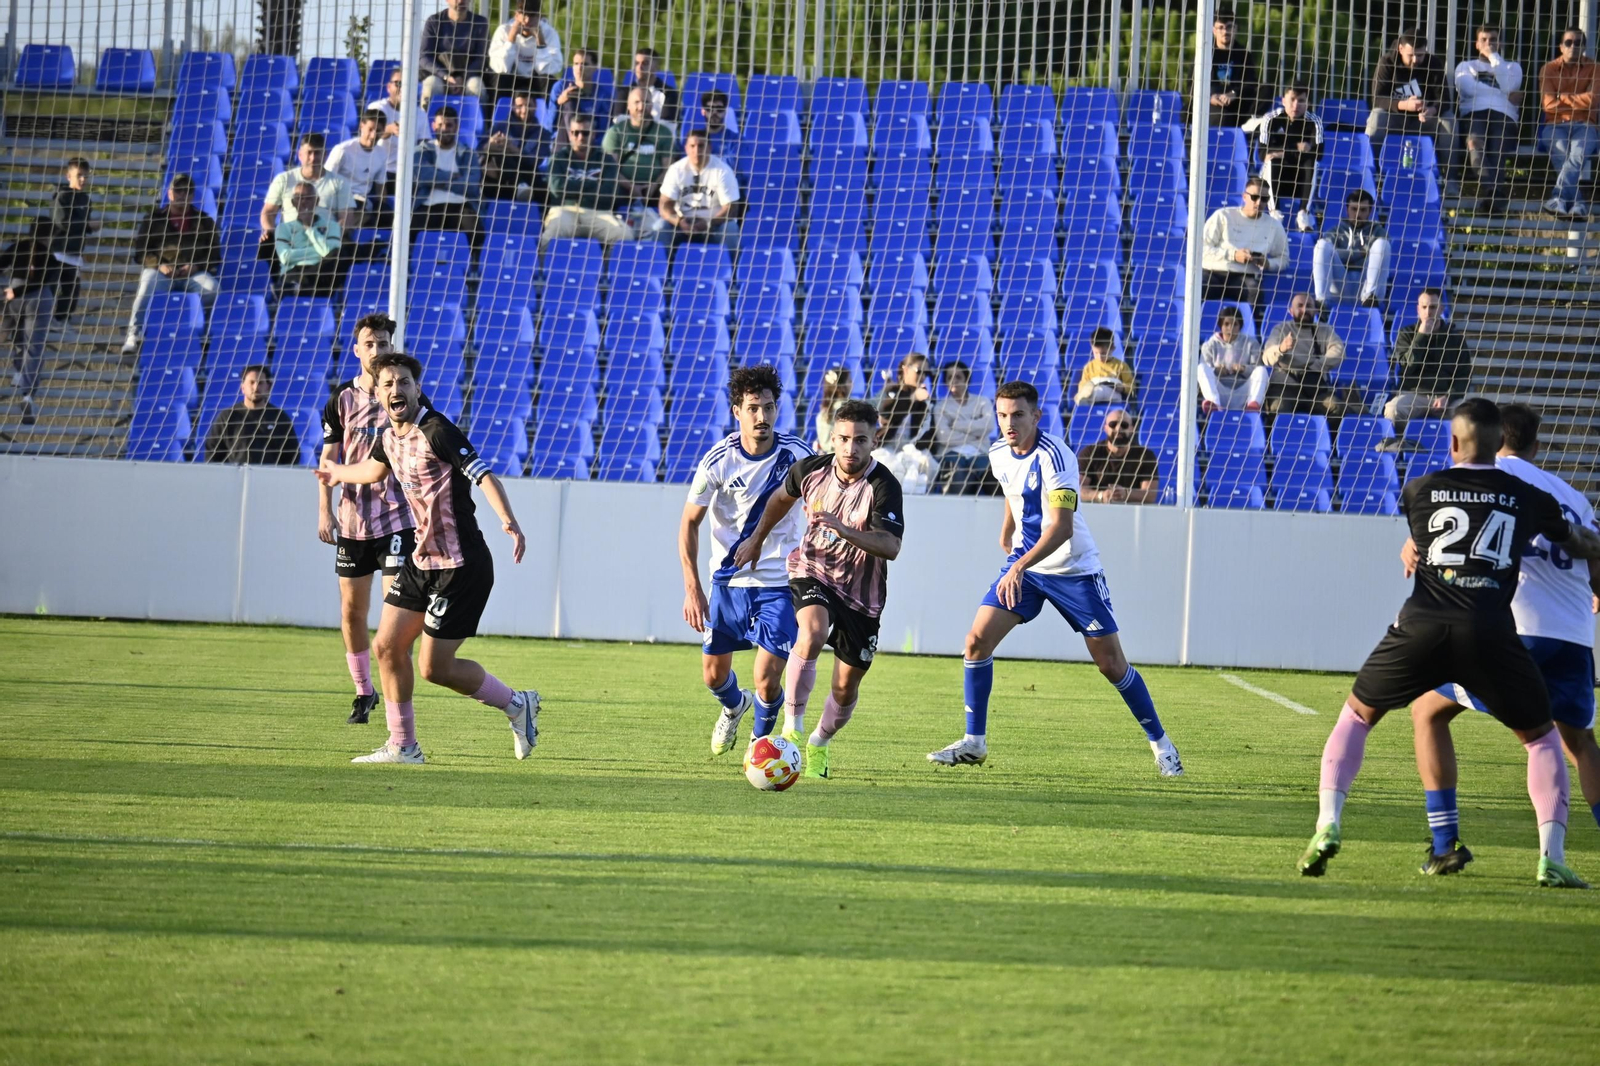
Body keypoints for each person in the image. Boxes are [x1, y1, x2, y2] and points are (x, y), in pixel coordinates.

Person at [1297, 398, 1600, 886]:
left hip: (1422, 625)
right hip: (1495, 630)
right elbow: (1575, 542)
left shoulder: (1419, 489)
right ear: (1502, 442)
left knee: (1357, 715)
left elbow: (1423, 542)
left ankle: (1329, 822)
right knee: (1545, 739)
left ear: (1454, 442)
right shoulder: (1529, 495)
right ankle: (1552, 857)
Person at [927, 381, 1182, 774]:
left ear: (1036, 416)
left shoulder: (1056, 456)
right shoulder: (998, 452)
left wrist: (1017, 565)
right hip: (1027, 568)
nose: (1008, 423)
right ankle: (974, 742)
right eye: (1002, 415)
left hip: (1072, 570)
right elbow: (1014, 492)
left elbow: (1061, 528)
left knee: (1111, 664)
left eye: (1017, 415)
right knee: (976, 641)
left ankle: (1162, 746)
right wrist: (1007, 528)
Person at [1405, 404, 1600, 877]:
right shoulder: (1574, 496)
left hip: (1513, 632)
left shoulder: (1483, 478)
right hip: (1573, 636)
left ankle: (1444, 841)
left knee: (1427, 711)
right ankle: (1551, 858)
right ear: (1536, 445)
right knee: (1580, 744)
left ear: (1491, 441)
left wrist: (1413, 546)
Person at [316, 351, 538, 765]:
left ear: (418, 389)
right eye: (388, 384)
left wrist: (509, 521)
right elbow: (373, 471)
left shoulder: (437, 430)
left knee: (435, 668)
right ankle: (403, 746)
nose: (396, 389)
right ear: (378, 393)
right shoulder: (388, 436)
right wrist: (336, 475)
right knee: (386, 646)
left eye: (403, 382)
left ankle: (516, 703)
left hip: (461, 565)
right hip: (422, 560)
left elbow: (483, 474)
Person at [731, 400, 905, 780]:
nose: (850, 448)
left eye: (860, 440)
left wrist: (844, 530)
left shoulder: (884, 485)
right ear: (832, 437)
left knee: (845, 687)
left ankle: (819, 741)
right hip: (814, 571)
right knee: (809, 633)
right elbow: (780, 499)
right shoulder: (810, 470)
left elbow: (890, 547)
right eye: (843, 439)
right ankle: (791, 729)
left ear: (875, 439)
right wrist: (758, 539)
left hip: (863, 595)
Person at [678, 365, 813, 757]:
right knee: (713, 675)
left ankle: (760, 747)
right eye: (753, 408)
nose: (762, 417)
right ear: (736, 411)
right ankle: (736, 706)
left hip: (779, 585)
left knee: (767, 678)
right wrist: (693, 589)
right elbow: (688, 524)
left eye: (769, 408)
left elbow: (823, 501)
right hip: (728, 585)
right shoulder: (717, 461)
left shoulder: (798, 455)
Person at [318, 314, 424, 726]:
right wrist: (325, 509)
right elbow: (329, 460)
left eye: (383, 343)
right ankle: (364, 691)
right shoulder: (341, 400)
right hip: (354, 520)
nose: (377, 350)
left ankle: (396, 692)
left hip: (399, 520)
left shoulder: (405, 395)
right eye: (370, 344)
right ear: (357, 350)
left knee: (393, 616)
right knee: (350, 612)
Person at [123, 173, 220, 354]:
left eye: (187, 191)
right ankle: (133, 334)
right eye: (178, 190)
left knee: (212, 289)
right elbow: (141, 252)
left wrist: (196, 266)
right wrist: (159, 265)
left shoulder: (205, 221)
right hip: (161, 272)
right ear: (169, 193)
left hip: (193, 274)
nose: (182, 195)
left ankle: (198, 333)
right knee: (145, 286)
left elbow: (214, 254)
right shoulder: (153, 218)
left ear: (192, 196)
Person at [0, 220, 62, 427]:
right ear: (50, 235)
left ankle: (18, 372)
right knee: (34, 347)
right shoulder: (52, 256)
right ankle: (27, 395)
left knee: (17, 335)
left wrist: (12, 290)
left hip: (13, 297)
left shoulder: (18, 246)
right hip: (39, 299)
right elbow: (41, 280)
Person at [1455, 24, 1523, 212]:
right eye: (1484, 40)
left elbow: (1509, 84)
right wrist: (1502, 93)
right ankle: (1494, 192)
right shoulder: (1465, 66)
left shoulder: (1513, 67)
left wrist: (1494, 57)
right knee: (1475, 143)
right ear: (1476, 44)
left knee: (1497, 146)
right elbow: (1467, 88)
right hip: (1474, 113)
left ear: (1500, 43)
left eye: (1493, 39)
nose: (1488, 43)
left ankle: (1491, 193)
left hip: (1504, 115)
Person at [1384, 288, 1472, 428]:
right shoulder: (1406, 334)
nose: (1428, 312)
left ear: (1441, 309)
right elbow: (1407, 367)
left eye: (1433, 307)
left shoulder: (1455, 338)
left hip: (1445, 397)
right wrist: (1421, 336)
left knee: (1469, 415)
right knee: (1392, 409)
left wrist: (1449, 397)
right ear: (1418, 310)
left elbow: (1464, 375)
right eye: (1424, 307)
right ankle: (1400, 445)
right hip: (1414, 394)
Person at [541, 115, 630, 244]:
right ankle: (543, 264)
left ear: (593, 134)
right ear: (570, 134)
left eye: (585, 133)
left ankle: (605, 264)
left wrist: (572, 187)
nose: (580, 137)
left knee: (624, 235)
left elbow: (608, 193)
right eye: (575, 133)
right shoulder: (558, 159)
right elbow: (557, 188)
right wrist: (592, 185)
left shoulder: (606, 160)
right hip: (565, 210)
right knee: (552, 233)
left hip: (598, 213)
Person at [1201, 176, 1287, 306]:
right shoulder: (1223, 215)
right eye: (1254, 197)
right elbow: (1201, 249)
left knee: (1255, 292)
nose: (1259, 202)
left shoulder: (1274, 226)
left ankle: (1252, 325)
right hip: (1213, 272)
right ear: (1244, 197)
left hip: (1245, 276)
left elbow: (1284, 259)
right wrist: (1233, 255)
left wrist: (1267, 263)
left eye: (1264, 199)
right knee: (1196, 287)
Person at [1539, 26, 1598, 219]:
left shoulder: (1595, 68)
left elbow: (1595, 100)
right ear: (1561, 47)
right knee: (1562, 153)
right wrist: (1581, 99)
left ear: (1584, 47)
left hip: (1586, 124)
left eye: (1578, 42)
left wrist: (1561, 97)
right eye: (1568, 42)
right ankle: (1578, 204)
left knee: (1577, 154)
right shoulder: (1549, 68)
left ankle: (1559, 198)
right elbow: (1548, 104)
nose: (1573, 46)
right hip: (1554, 124)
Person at [1366, 30, 1454, 150]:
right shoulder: (1386, 63)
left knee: (1449, 118)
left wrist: (1432, 110)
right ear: (1401, 49)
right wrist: (1405, 105)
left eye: (1420, 55)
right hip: (1394, 119)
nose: (1415, 60)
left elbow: (1445, 99)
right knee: (1377, 115)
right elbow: (1378, 99)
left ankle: (1450, 168)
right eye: (1411, 55)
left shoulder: (1433, 63)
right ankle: (1372, 166)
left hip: (1423, 120)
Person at [1261, 292, 1345, 416]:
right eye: (1300, 306)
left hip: (1315, 389)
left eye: (1309, 306)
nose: (1305, 310)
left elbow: (1339, 351)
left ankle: (1321, 435)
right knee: (1278, 408)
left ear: (1315, 310)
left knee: (1337, 407)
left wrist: (1315, 366)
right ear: (1291, 311)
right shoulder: (1281, 329)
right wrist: (1281, 348)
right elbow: (1266, 357)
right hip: (1286, 387)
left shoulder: (1324, 330)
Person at [261, 133, 357, 240]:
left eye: (317, 153)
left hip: (324, 241)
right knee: (265, 243)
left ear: (325, 155)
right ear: (300, 155)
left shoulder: (340, 182)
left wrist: (330, 237)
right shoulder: (283, 179)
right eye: (309, 153)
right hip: (290, 240)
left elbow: (347, 218)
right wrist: (270, 231)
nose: (313, 158)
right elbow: (268, 212)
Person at [655, 128, 740, 249]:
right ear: (686, 148)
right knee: (660, 226)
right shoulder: (676, 170)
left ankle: (730, 267)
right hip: (682, 225)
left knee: (730, 228)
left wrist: (709, 223)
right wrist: (679, 222)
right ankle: (661, 267)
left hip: (714, 226)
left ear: (709, 148)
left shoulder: (722, 171)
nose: (697, 150)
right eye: (692, 146)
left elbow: (732, 208)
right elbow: (664, 205)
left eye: (701, 146)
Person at [1257, 82, 1324, 232]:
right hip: (1275, 178)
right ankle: (1275, 214)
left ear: (1307, 102)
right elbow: (1263, 154)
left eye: (1301, 100)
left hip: (1300, 180)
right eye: (1292, 99)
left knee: (1311, 163)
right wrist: (1296, 148)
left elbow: (1318, 154)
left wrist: (1281, 151)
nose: (1296, 105)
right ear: (1283, 100)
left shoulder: (1314, 121)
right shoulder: (1270, 119)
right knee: (1273, 162)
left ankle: (1303, 214)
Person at [203, 364, 301, 465]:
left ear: (268, 387)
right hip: (235, 478)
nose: (256, 387)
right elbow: (212, 454)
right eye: (252, 382)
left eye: (260, 383)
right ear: (243, 387)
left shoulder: (279, 418)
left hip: (270, 478)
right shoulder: (227, 417)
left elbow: (292, 456)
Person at [605, 86, 678, 221]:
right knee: (606, 190)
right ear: (628, 106)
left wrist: (653, 186)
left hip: (656, 188)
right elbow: (610, 168)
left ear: (652, 105)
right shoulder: (616, 132)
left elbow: (668, 169)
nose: (641, 107)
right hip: (622, 186)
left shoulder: (663, 133)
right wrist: (631, 186)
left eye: (646, 102)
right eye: (637, 102)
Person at [1312, 188, 1391, 307]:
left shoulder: (1379, 232)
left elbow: (1379, 260)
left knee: (1382, 245)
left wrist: (1345, 255)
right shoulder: (1335, 231)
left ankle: (1370, 298)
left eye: (1363, 210)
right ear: (1347, 209)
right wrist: (1361, 253)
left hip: (1366, 283)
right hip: (1341, 284)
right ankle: (1322, 302)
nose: (1358, 214)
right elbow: (1329, 255)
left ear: (1370, 211)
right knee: (1321, 246)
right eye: (1354, 209)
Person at [273, 182, 355, 296]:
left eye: (308, 198)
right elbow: (285, 257)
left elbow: (333, 253)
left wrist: (309, 228)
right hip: (295, 271)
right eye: (299, 198)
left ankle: (299, 289)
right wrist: (319, 253)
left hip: (322, 272)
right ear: (293, 202)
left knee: (340, 254)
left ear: (316, 201)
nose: (304, 202)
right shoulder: (283, 228)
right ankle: (302, 288)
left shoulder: (332, 226)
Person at [412, 107, 482, 238]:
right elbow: (423, 176)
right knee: (411, 230)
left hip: (460, 206)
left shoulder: (468, 154)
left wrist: (436, 182)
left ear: (456, 127)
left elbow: (472, 186)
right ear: (433, 126)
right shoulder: (422, 150)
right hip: (429, 205)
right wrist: (452, 177)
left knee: (475, 232)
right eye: (440, 125)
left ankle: (474, 258)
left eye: (449, 125)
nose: (444, 129)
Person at [929, 360, 996, 495]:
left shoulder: (983, 402)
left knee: (994, 479)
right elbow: (944, 437)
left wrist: (956, 425)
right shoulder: (940, 407)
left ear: (967, 379)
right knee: (957, 478)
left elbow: (989, 425)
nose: (954, 381)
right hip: (951, 454)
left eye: (958, 377)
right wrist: (976, 434)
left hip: (980, 452)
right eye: (949, 378)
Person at [1077, 409, 1160, 505]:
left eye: (1124, 425)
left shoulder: (1145, 456)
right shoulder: (1090, 453)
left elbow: (1150, 495)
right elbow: (1077, 489)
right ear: (1105, 428)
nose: (1118, 429)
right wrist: (1101, 495)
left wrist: (1125, 494)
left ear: (1132, 429)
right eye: (1113, 424)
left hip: (1131, 512)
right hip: (1097, 510)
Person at [486, 0, 563, 103]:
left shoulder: (549, 33)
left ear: (539, 16)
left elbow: (552, 69)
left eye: (532, 16)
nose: (527, 21)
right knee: (499, 78)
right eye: (524, 15)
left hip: (536, 80)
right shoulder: (503, 31)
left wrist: (540, 41)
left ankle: (546, 117)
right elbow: (500, 67)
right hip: (511, 78)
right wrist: (511, 38)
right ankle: (495, 117)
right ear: (516, 15)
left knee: (548, 80)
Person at [419, 0, 489, 108]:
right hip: (440, 76)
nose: (460, 1)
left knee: (476, 86)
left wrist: (463, 78)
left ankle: (480, 123)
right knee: (431, 84)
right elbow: (424, 57)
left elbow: (481, 58)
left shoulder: (480, 23)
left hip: (468, 77)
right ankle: (426, 122)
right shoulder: (434, 21)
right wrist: (445, 76)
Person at [49, 157, 96, 320]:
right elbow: (61, 222)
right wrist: (88, 226)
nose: (83, 180)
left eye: (86, 176)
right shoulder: (62, 196)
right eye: (79, 175)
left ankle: (61, 323)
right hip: (58, 253)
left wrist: (87, 227)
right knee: (52, 293)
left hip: (74, 255)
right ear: (68, 176)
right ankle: (50, 323)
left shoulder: (85, 200)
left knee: (70, 297)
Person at [367, 67, 430, 188]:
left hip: (411, 173)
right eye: (399, 84)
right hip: (382, 170)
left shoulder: (420, 114)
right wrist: (389, 129)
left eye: (408, 84)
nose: (403, 88)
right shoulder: (377, 108)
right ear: (389, 87)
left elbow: (425, 145)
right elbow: (368, 134)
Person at [482, 91, 550, 201]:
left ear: (535, 106)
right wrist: (489, 146)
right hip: (500, 177)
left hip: (528, 175)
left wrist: (512, 148)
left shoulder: (543, 134)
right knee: (498, 155)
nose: (524, 110)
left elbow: (534, 161)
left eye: (529, 105)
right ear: (513, 107)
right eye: (520, 106)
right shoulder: (500, 127)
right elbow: (478, 150)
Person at [1198, 304, 1268, 412]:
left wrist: (1244, 369)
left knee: (1262, 371)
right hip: (1220, 391)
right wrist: (1216, 370)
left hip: (1243, 391)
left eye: (1234, 324)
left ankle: (1252, 404)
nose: (1230, 328)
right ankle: (1214, 403)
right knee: (1200, 368)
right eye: (1226, 324)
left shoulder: (1251, 343)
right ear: (1220, 325)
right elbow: (1206, 369)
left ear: (1240, 326)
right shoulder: (1209, 345)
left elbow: (1257, 369)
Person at [326, 110, 391, 225]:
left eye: (378, 131)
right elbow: (325, 179)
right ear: (362, 126)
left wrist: (382, 206)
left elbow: (381, 187)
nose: (373, 135)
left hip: (361, 202)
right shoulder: (343, 150)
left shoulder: (381, 154)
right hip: (339, 199)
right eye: (370, 129)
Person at [1207, 7, 1264, 128]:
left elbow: (1251, 84)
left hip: (1237, 103)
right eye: (1220, 27)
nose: (1225, 31)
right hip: (1212, 104)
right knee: (1223, 116)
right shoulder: (1206, 54)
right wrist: (1210, 97)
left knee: (1266, 89)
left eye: (1229, 27)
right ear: (1214, 30)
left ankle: (1250, 121)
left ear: (1235, 29)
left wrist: (1234, 93)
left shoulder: (1244, 55)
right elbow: (1192, 85)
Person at [549, 49, 608, 144]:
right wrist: (559, 102)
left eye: (585, 64)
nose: (579, 68)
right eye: (576, 64)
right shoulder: (560, 87)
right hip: (563, 141)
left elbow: (603, 131)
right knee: (569, 101)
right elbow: (549, 125)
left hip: (589, 143)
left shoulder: (602, 95)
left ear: (595, 67)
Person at [1072, 326, 1135, 405]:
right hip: (1094, 389)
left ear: (1112, 348)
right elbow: (1083, 383)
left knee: (1099, 390)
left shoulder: (1121, 366)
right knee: (1090, 387)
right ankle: (1084, 398)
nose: (1099, 357)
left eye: (1103, 353)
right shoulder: (1089, 366)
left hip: (1113, 393)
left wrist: (1122, 388)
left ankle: (1084, 399)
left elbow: (1131, 385)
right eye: (1096, 353)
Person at [616, 47, 677, 124]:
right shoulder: (624, 92)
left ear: (656, 67)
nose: (639, 67)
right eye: (637, 63)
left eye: (645, 63)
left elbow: (667, 124)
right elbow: (618, 121)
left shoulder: (668, 93)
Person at [812, 365, 852, 452]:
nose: (852, 383)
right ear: (841, 387)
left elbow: (825, 444)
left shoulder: (822, 414)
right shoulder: (850, 409)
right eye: (849, 380)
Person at [697, 90, 740, 160]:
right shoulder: (694, 141)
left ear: (725, 112)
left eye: (719, 109)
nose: (714, 113)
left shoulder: (736, 141)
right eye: (710, 109)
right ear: (703, 111)